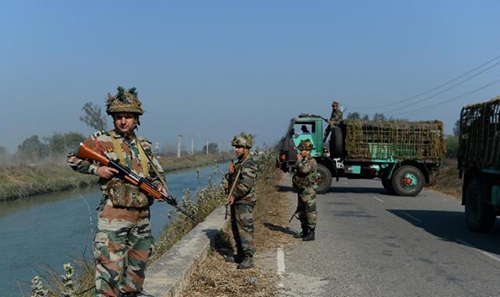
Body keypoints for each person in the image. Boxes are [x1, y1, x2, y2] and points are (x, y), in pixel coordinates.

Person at [68, 86, 167, 297]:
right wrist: (97, 169)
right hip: (114, 214)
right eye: (119, 117)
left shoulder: (144, 145)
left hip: (141, 214)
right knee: (109, 265)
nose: (124, 121)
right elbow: (73, 158)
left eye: (128, 117)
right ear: (113, 118)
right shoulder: (100, 140)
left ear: (136, 119)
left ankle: (133, 292)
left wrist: (160, 187)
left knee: (138, 261)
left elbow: (156, 172)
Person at [225, 131, 258, 269]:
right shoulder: (240, 163)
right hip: (238, 201)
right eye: (235, 147)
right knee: (236, 228)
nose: (236, 149)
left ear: (246, 148)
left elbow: (246, 184)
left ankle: (248, 258)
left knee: (245, 229)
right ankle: (240, 254)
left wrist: (233, 195)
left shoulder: (249, 163)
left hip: (244, 201)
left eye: (239, 147)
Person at [292, 139, 318, 241]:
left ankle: (311, 232)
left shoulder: (311, 161)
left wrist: (298, 161)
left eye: (302, 150)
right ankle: (304, 230)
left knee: (310, 211)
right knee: (301, 211)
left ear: (308, 151)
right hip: (302, 189)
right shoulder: (303, 161)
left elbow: (304, 170)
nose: (300, 152)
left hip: (309, 190)